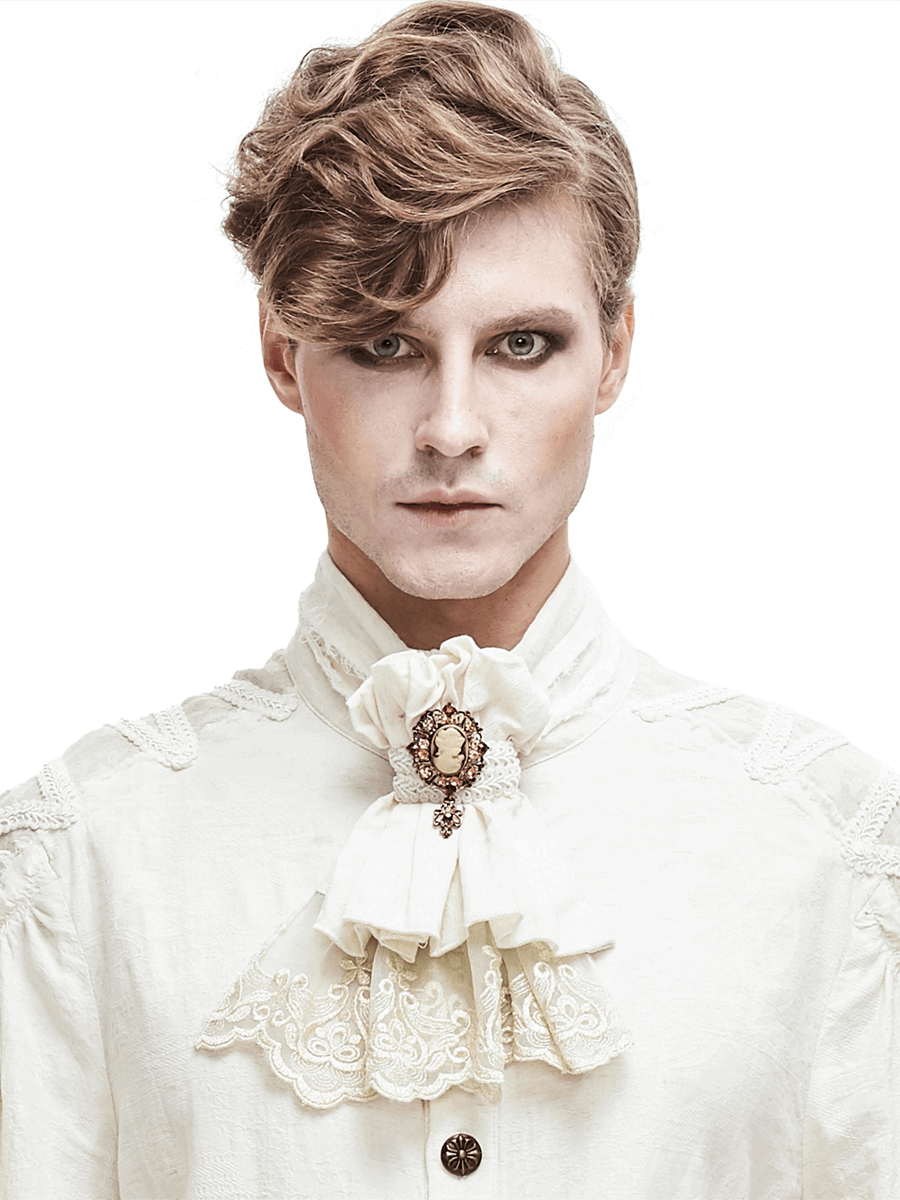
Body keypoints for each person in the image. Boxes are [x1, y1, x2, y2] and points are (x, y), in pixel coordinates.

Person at [1, 3, 897, 1197]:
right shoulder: (89, 864)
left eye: (523, 344)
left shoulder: (820, 855)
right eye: (384, 345)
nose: (453, 429)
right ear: (281, 353)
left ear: (616, 353)